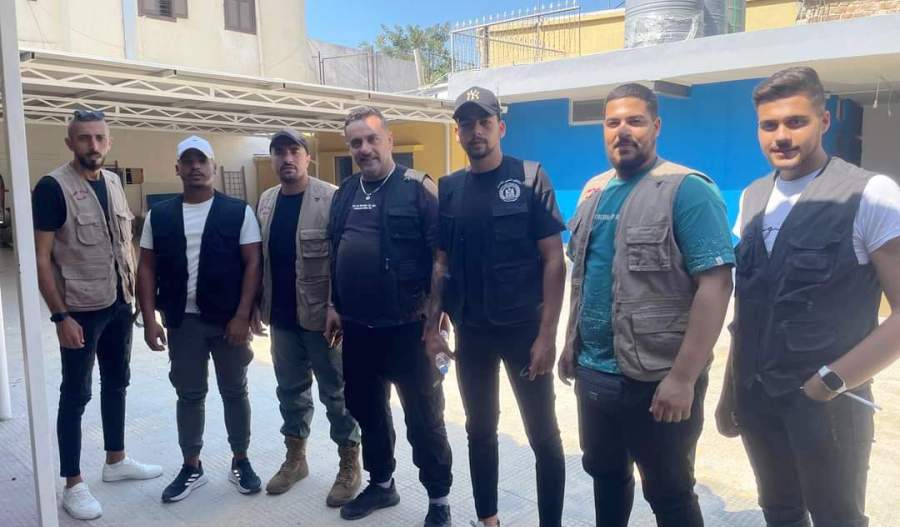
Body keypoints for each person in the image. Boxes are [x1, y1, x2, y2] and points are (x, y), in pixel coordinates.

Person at [716, 66, 900, 527]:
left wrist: (830, 381)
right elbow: (749, 308)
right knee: (779, 512)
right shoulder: (753, 196)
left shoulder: (870, 193)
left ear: (825, 120)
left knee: (838, 518)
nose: (781, 136)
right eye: (769, 125)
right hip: (758, 399)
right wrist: (729, 391)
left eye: (795, 121)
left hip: (828, 406)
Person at [558, 83, 734, 527]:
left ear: (656, 125)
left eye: (635, 120)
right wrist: (570, 345)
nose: (623, 130)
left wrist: (683, 377)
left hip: (657, 380)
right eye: (612, 122)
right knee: (605, 476)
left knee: (670, 493)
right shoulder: (594, 191)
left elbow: (716, 285)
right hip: (595, 373)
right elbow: (585, 277)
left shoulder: (686, 189)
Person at [425, 86, 567, 527]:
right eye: (466, 124)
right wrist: (432, 326)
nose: (476, 131)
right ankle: (488, 520)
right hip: (473, 333)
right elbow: (441, 262)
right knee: (479, 429)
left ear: (500, 127)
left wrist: (547, 335)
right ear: (457, 133)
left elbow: (554, 259)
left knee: (543, 436)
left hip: (524, 333)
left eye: (484, 122)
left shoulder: (529, 177)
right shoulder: (450, 188)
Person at [32, 110, 162, 520]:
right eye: (84, 138)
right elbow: (41, 259)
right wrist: (60, 317)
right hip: (80, 311)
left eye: (100, 138)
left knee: (117, 383)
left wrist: (136, 298)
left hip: (119, 303)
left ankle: (116, 460)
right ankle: (72, 483)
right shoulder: (52, 187)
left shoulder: (113, 182)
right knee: (76, 394)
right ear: (70, 143)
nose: (93, 145)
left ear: (109, 141)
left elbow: (124, 242)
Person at [327, 107, 452, 527]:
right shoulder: (345, 193)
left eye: (371, 139)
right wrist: (333, 305)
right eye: (355, 143)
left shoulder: (417, 188)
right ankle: (382, 484)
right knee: (368, 413)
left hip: (410, 331)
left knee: (425, 419)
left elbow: (441, 259)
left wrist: (434, 323)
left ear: (390, 141)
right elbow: (334, 252)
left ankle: (439, 500)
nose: (364, 149)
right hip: (358, 330)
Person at [136, 135, 263, 502]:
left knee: (235, 390)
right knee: (189, 394)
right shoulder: (160, 215)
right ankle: (192, 465)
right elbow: (146, 267)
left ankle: (241, 459)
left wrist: (242, 315)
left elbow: (253, 263)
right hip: (182, 322)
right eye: (188, 161)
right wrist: (150, 318)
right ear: (177, 168)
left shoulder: (238, 212)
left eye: (202, 160)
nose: (195, 167)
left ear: (213, 166)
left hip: (228, 321)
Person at [253, 129, 362, 504]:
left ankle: (349, 464)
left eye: (294, 151)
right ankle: (296, 460)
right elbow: (261, 260)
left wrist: (336, 306)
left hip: (321, 319)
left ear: (307, 157)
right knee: (290, 392)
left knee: (337, 393)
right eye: (279, 152)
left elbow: (343, 258)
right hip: (281, 316)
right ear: (272, 159)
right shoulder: (267, 200)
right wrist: (255, 306)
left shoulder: (330, 197)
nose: (287, 158)